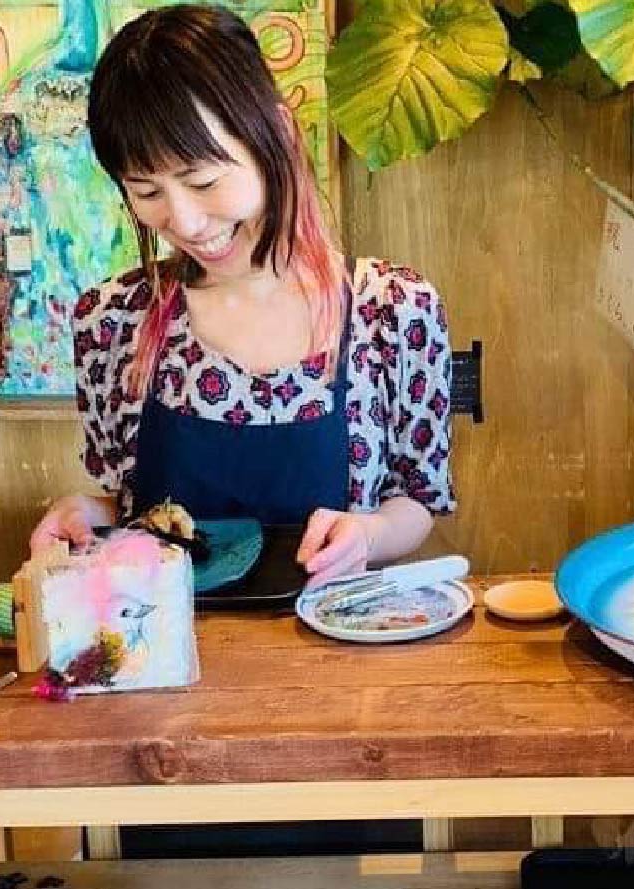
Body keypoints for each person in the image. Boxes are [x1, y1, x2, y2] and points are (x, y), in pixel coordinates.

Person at [29, 4, 456, 594]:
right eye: (147, 191)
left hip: (338, 637)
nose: (183, 221)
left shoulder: (392, 311)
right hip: (164, 640)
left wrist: (370, 534)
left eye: (203, 181)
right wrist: (84, 514)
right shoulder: (114, 321)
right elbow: (127, 505)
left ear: (277, 133)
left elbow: (417, 499)